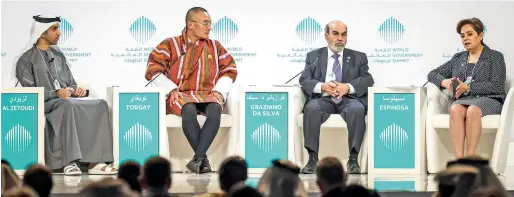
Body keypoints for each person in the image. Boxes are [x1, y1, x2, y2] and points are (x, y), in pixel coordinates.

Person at [13, 15, 117, 176]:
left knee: (100, 104)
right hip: (45, 103)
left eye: (58, 28)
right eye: (54, 29)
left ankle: (95, 161)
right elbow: (29, 93)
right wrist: (55, 93)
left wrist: (77, 90)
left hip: (65, 100)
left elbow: (70, 83)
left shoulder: (59, 56)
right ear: (42, 32)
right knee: (67, 104)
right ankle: (69, 161)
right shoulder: (26, 60)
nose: (59, 33)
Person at [145, 7, 237, 174]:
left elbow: (229, 69)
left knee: (215, 108)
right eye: (205, 23)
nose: (209, 27)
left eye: (210, 24)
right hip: (181, 94)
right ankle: (203, 160)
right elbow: (154, 69)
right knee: (188, 109)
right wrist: (171, 89)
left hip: (208, 93)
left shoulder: (215, 46)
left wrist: (219, 90)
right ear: (191, 24)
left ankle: (198, 159)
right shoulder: (170, 44)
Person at [299, 20, 374, 174]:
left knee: (357, 109)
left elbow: (368, 79)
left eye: (344, 34)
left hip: (348, 99)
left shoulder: (358, 57)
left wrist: (348, 87)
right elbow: (304, 80)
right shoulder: (314, 56)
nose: (340, 38)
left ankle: (353, 160)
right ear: (327, 36)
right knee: (311, 108)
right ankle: (312, 159)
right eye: (335, 34)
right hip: (323, 99)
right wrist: (322, 86)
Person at [427, 18, 506, 158]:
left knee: (473, 110)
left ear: (480, 35)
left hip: (490, 99)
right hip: (464, 100)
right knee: (455, 109)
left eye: (469, 34)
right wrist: (444, 82)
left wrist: (469, 87)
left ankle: (471, 159)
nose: (465, 39)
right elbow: (432, 74)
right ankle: (460, 161)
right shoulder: (458, 58)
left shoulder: (495, 57)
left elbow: (497, 86)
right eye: (462, 36)